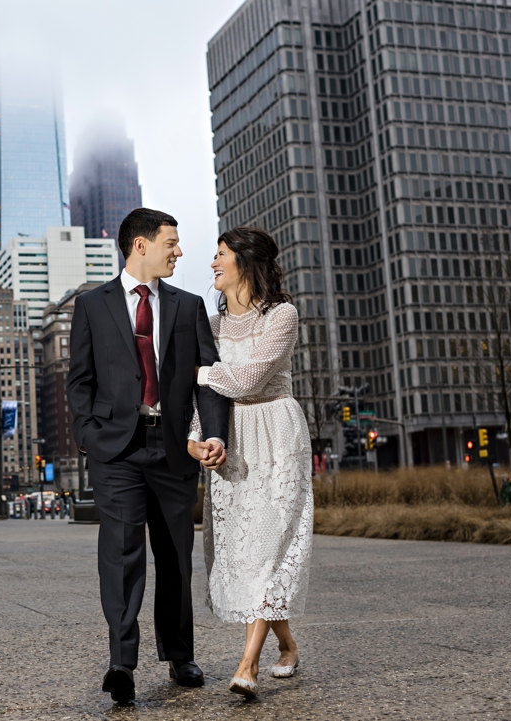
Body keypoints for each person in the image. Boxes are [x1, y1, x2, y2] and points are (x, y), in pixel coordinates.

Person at [66, 208, 229, 704]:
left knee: (176, 557)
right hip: (116, 450)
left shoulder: (188, 306)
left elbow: (208, 379)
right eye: (171, 243)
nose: (179, 251)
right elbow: (79, 382)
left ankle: (181, 655)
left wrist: (215, 434)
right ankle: (122, 663)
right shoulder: (92, 305)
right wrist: (90, 438)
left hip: (174, 447)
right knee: (121, 554)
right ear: (141, 245)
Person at [192, 226, 313, 700]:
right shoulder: (214, 325)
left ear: (245, 261)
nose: (213, 263)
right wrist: (197, 438)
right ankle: (287, 644)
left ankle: (248, 666)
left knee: (267, 547)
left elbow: (248, 378)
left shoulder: (282, 315)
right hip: (232, 441)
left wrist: (198, 371)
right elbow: (207, 397)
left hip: (276, 434)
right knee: (245, 551)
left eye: (220, 255)